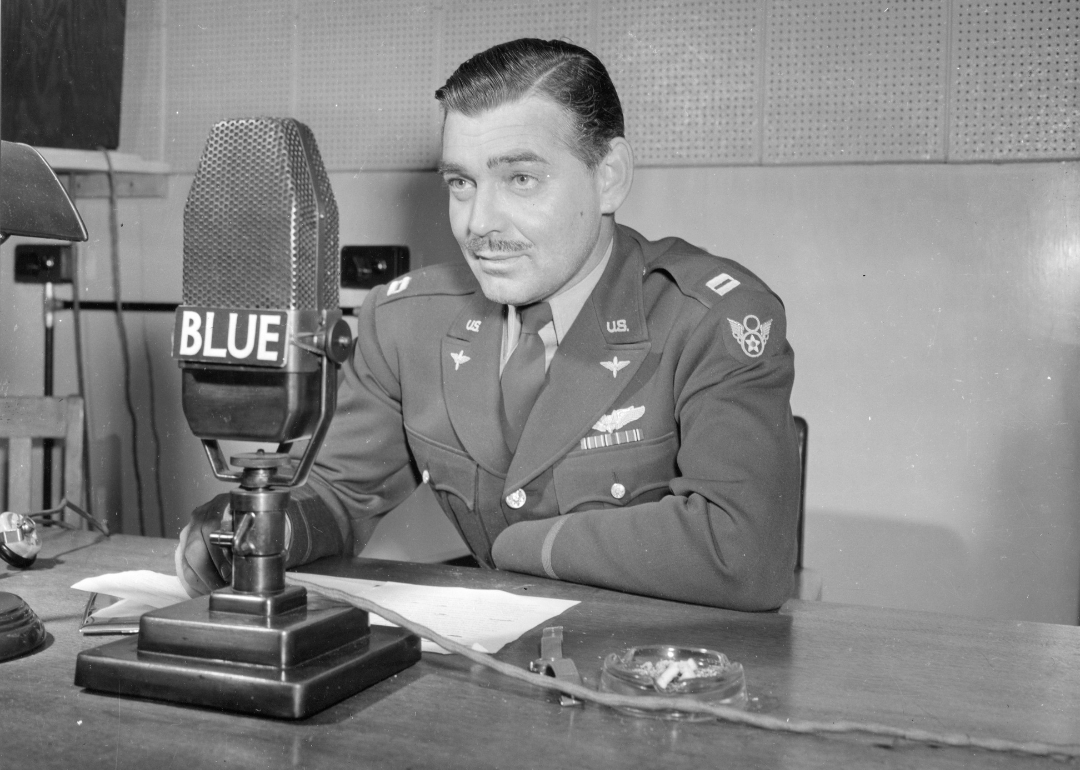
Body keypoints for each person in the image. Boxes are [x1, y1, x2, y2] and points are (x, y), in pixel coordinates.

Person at [177, 38, 801, 611]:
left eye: (520, 179)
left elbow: (743, 552)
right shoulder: (406, 322)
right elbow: (343, 493)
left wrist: (518, 549)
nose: (479, 223)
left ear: (608, 177)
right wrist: (266, 526)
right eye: (461, 183)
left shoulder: (708, 318)